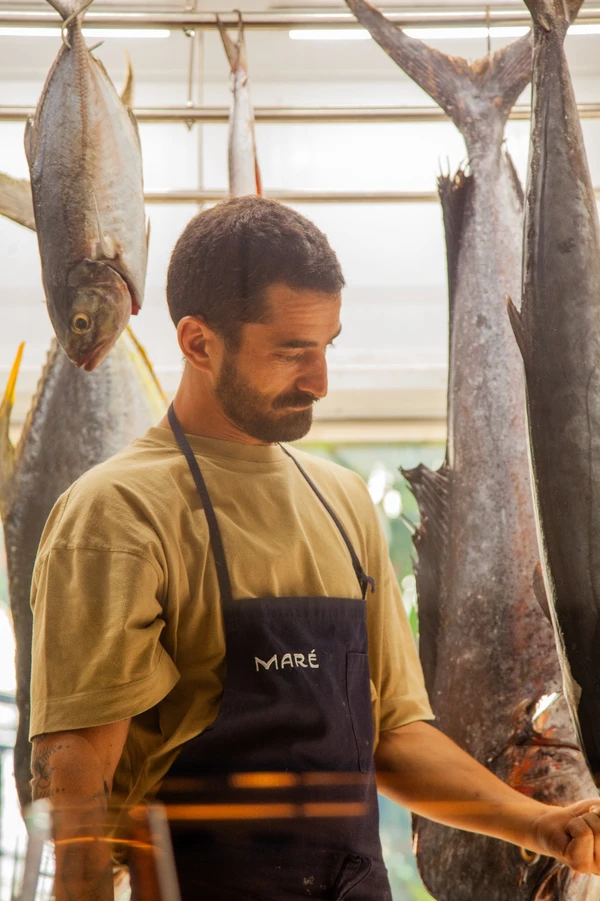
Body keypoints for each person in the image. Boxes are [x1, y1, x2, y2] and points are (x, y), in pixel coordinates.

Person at [30, 196, 600, 900]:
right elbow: (76, 774)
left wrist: (539, 824)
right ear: (198, 341)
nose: (320, 381)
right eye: (291, 351)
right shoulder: (117, 514)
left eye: (327, 345)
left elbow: (394, 733)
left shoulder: (342, 501)